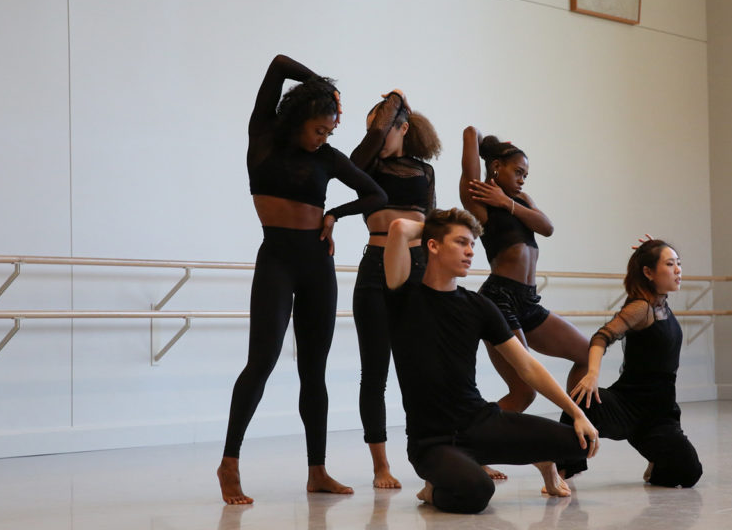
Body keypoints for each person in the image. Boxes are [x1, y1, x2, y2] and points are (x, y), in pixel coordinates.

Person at [217, 54, 387, 504]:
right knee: (263, 359)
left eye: (330, 133)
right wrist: (322, 86)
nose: (324, 139)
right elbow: (275, 66)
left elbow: (376, 193)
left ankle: (317, 471)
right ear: (302, 117)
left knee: (314, 371)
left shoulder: (328, 157)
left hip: (317, 265)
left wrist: (334, 214)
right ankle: (229, 463)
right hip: (276, 260)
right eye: (320, 129)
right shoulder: (264, 137)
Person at [384, 209, 600, 514]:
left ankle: (538, 461)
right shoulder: (403, 296)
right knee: (477, 491)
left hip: (480, 423)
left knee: (580, 444)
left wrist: (576, 412)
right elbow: (398, 227)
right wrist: (432, 226)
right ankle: (433, 490)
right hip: (432, 441)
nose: (471, 251)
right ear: (433, 245)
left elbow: (527, 365)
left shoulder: (479, 306)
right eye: (461, 242)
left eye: (472, 244)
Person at [459, 126, 591, 477]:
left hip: (528, 302)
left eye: (526, 175)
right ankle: (468, 449)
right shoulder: (481, 203)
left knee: (584, 352)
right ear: (496, 167)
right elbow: (469, 161)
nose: (522, 180)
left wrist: (510, 202)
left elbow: (546, 227)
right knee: (524, 391)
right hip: (499, 299)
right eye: (517, 172)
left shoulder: (520, 203)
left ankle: (572, 432)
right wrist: (474, 135)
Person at [349, 90, 440, 489]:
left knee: (426, 369)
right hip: (374, 268)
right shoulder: (365, 166)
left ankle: (442, 454)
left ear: (402, 128)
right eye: (370, 129)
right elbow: (355, 160)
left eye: (382, 129)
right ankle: (380, 466)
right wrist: (391, 103)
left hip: (420, 269)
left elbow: (434, 223)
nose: (375, 135)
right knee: (375, 373)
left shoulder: (424, 171)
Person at [563, 239, 703, 487]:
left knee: (689, 473)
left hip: (660, 413)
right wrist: (593, 374)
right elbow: (601, 337)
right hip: (627, 405)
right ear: (648, 273)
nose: (678, 270)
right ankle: (561, 470)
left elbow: (648, 263)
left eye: (678, 264)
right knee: (577, 405)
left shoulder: (661, 303)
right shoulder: (641, 308)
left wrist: (651, 249)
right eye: (670, 264)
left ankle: (656, 458)